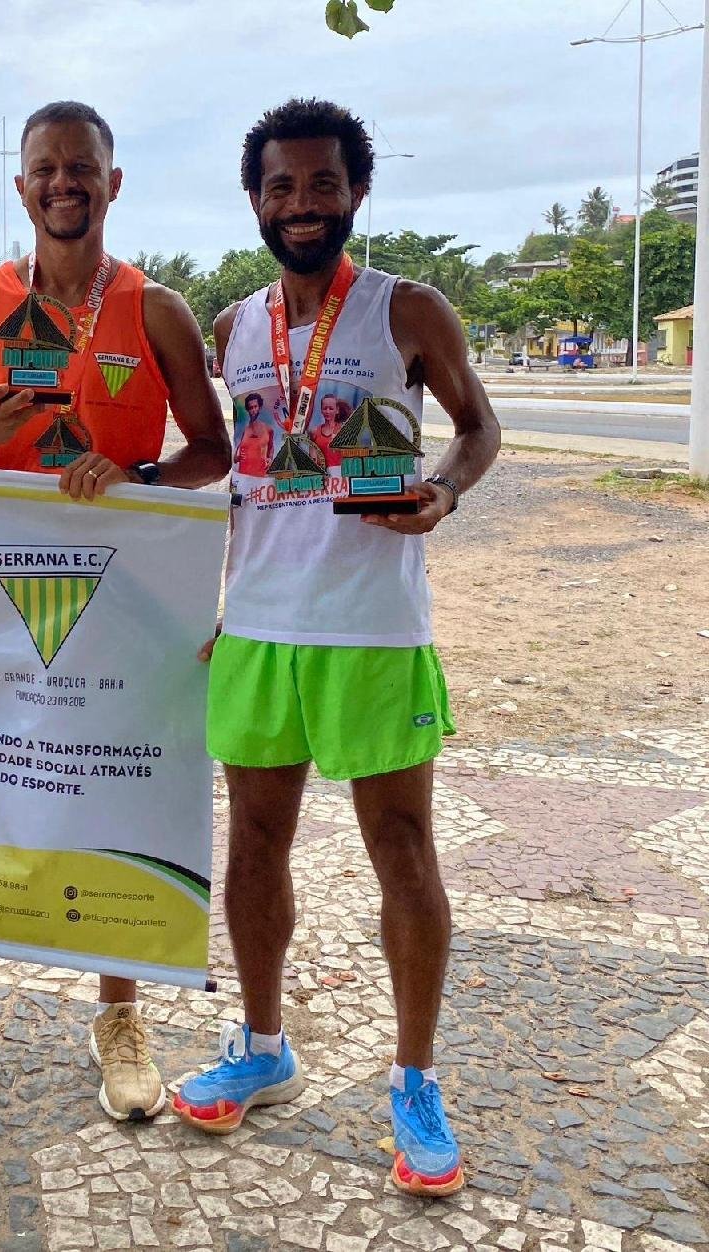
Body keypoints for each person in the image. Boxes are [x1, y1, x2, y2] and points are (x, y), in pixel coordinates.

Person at [172, 100, 499, 1199]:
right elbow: (236, 476)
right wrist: (201, 597)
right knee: (253, 846)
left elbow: (476, 423)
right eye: (278, 187)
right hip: (260, 627)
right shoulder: (230, 327)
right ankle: (262, 1044)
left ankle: (413, 1079)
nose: (298, 205)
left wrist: (442, 493)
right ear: (253, 199)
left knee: (400, 847)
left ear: (355, 190)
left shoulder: (408, 310)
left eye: (319, 185)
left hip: (371, 626)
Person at [0, 100, 232, 1123]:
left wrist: (136, 470)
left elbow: (211, 451)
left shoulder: (159, 309)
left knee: (113, 783)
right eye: (44, 169)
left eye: (80, 167)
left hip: (122, 589)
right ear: (20, 187)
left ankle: (119, 1015)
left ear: (112, 182)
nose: (63, 184)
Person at [235, 393, 274, 477]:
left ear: (259, 407)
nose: (253, 410)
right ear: (248, 410)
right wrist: (236, 457)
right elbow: (236, 454)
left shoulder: (268, 429)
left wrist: (270, 459)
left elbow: (271, 447)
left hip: (260, 477)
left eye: (255, 407)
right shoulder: (244, 430)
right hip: (243, 476)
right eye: (250, 408)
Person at [310, 391, 351, 459]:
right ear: (321, 410)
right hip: (322, 468)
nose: (327, 411)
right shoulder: (314, 432)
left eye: (331, 408)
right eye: (325, 408)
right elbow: (313, 458)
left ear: (337, 410)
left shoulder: (343, 430)